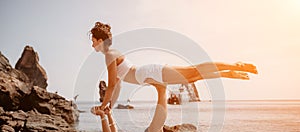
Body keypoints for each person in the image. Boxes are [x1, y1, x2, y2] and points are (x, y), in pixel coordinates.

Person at [89, 21, 258, 110]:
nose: (92, 45)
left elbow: (110, 85)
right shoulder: (113, 54)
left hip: (151, 72)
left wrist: (103, 106)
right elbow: (116, 86)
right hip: (150, 74)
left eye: (93, 41)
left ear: (101, 40)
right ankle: (229, 73)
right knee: (194, 76)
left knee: (194, 71)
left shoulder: (110, 55)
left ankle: (236, 65)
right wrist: (110, 106)